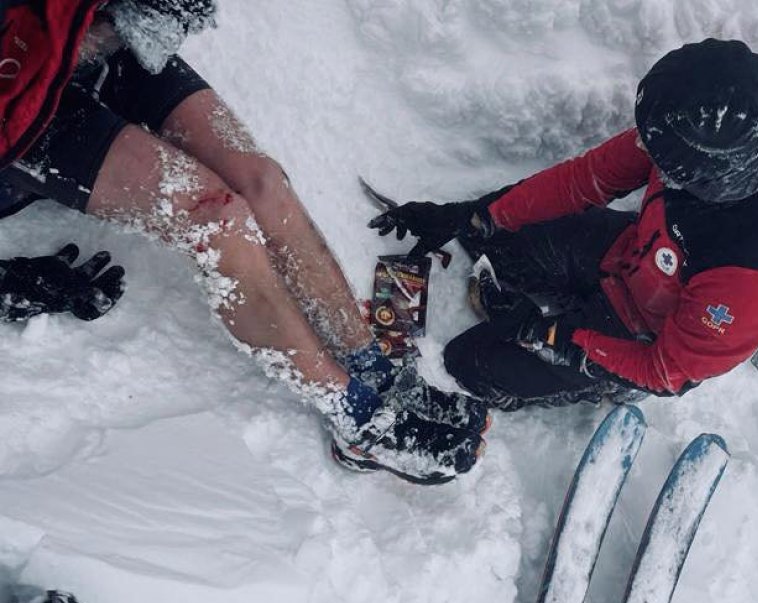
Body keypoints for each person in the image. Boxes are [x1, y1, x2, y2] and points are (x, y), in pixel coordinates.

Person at [0, 0, 489, 484]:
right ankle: (356, 417)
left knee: (263, 185)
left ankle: (372, 367)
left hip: (103, 34)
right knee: (216, 220)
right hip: (18, 97)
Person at [370, 39, 758, 411]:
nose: (646, 156)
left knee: (467, 364)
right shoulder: (701, 123)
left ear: (708, 176)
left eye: (660, 161)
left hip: (647, 333)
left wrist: (560, 339)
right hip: (632, 253)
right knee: (496, 240)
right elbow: (586, 179)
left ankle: (594, 380)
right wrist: (474, 215)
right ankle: (570, 304)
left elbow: (664, 371)